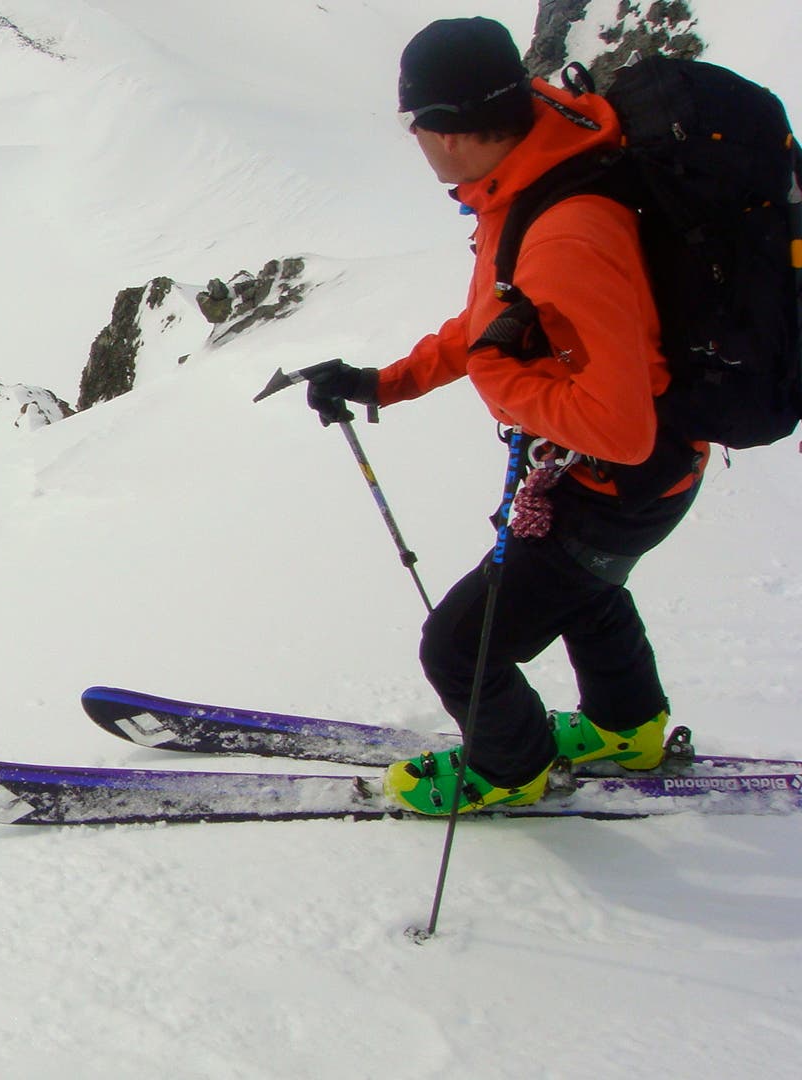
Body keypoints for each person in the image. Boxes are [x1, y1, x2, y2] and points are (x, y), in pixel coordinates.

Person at [303, 17, 708, 815]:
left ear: (447, 133)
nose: (413, 137)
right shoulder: (533, 173)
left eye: (414, 121)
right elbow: (497, 316)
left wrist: (500, 381)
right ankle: (628, 730)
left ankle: (510, 767)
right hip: (629, 475)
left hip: (620, 476)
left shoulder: (564, 229)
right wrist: (384, 382)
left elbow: (620, 424)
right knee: (586, 590)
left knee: (461, 648)